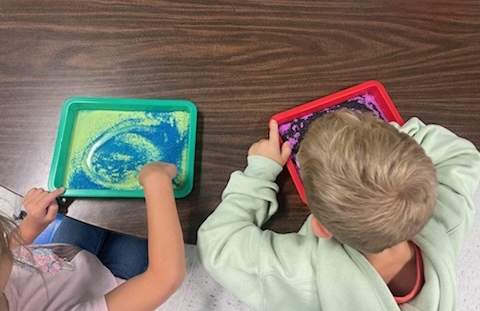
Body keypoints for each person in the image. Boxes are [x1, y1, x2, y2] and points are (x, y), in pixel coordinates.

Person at [197, 109, 480, 310]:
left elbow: (218, 244)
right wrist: (388, 146)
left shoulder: (305, 275)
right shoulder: (447, 216)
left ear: (323, 228)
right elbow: (462, 154)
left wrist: (260, 171)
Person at [0, 162, 185, 311]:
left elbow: (9, 249)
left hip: (66, 255)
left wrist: (32, 225)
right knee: (142, 216)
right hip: (113, 286)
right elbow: (163, 278)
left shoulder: (5, 259)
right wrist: (156, 179)